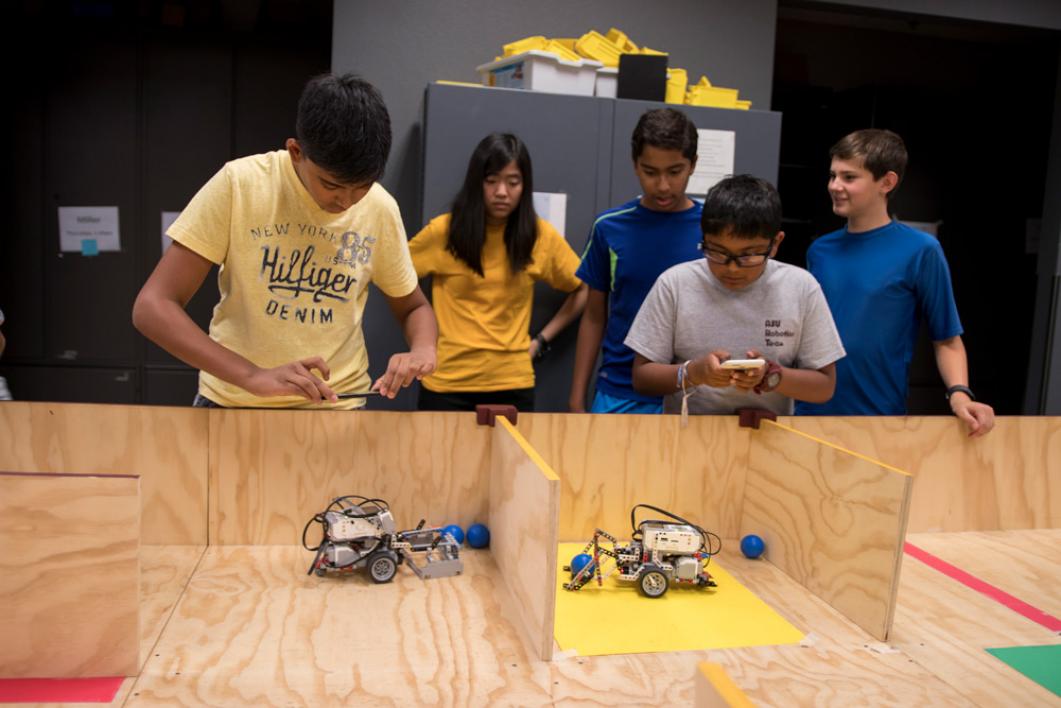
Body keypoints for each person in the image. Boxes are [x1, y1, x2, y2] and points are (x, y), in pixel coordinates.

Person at [132, 73, 437, 408]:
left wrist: (422, 349)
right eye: (331, 185)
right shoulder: (241, 184)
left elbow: (414, 307)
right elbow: (153, 307)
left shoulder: (380, 208)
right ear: (295, 152)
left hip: (337, 406)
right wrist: (253, 375)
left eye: (361, 187)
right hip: (234, 403)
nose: (346, 202)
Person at [795, 129, 995, 437]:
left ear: (886, 182)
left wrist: (959, 393)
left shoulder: (921, 251)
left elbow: (947, 339)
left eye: (849, 177)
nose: (835, 186)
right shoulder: (819, 250)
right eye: (833, 175)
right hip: (808, 414)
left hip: (877, 420)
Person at [625, 175, 845, 415]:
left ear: (775, 244)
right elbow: (642, 378)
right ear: (703, 236)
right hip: (689, 438)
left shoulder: (801, 288)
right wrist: (692, 373)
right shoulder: (675, 284)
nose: (732, 268)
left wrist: (773, 377)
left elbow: (825, 387)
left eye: (748, 256)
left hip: (767, 436)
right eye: (717, 252)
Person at [409, 133, 586, 411]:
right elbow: (395, 278)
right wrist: (422, 339)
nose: (501, 192)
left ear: (524, 185)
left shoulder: (539, 236)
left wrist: (540, 341)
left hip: (512, 385)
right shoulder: (445, 232)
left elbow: (584, 287)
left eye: (513, 182)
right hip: (446, 384)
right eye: (491, 181)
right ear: (476, 183)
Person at [569, 108, 704, 414]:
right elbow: (593, 316)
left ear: (692, 165)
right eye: (650, 172)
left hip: (695, 395)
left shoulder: (715, 227)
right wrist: (576, 398)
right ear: (635, 166)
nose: (663, 186)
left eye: (675, 171)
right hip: (620, 390)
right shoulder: (609, 227)